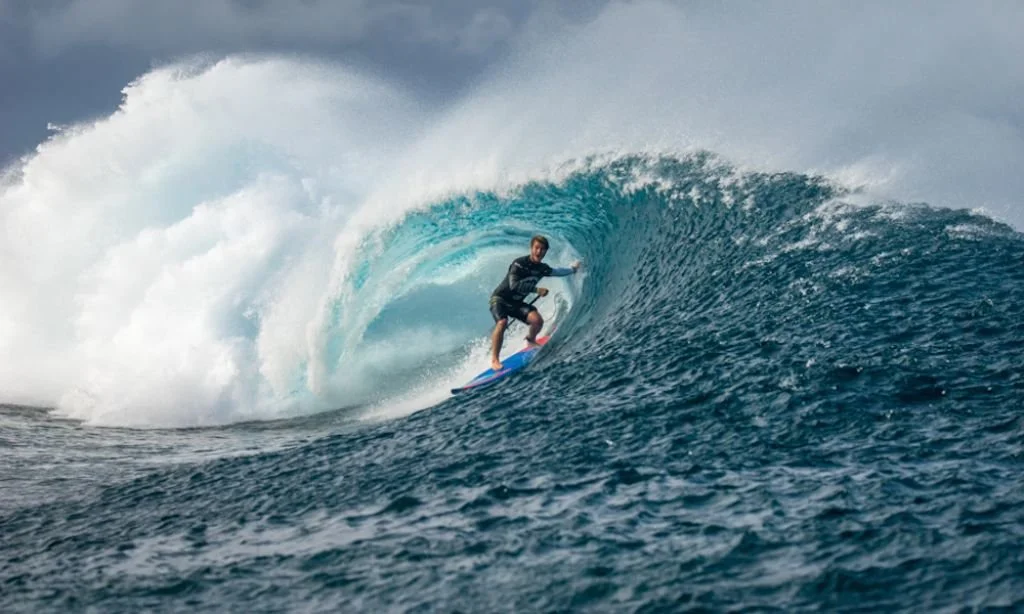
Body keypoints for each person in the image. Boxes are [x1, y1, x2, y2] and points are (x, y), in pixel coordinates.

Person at [489, 235, 581, 371]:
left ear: (545, 251)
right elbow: (514, 285)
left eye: (542, 249)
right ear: (531, 248)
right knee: (502, 322)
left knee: (537, 321)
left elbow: (557, 272)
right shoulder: (519, 264)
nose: (539, 252)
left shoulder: (542, 268)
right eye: (536, 248)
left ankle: (530, 340)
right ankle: (495, 360)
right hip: (500, 299)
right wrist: (537, 290)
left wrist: (573, 270)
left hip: (515, 303)